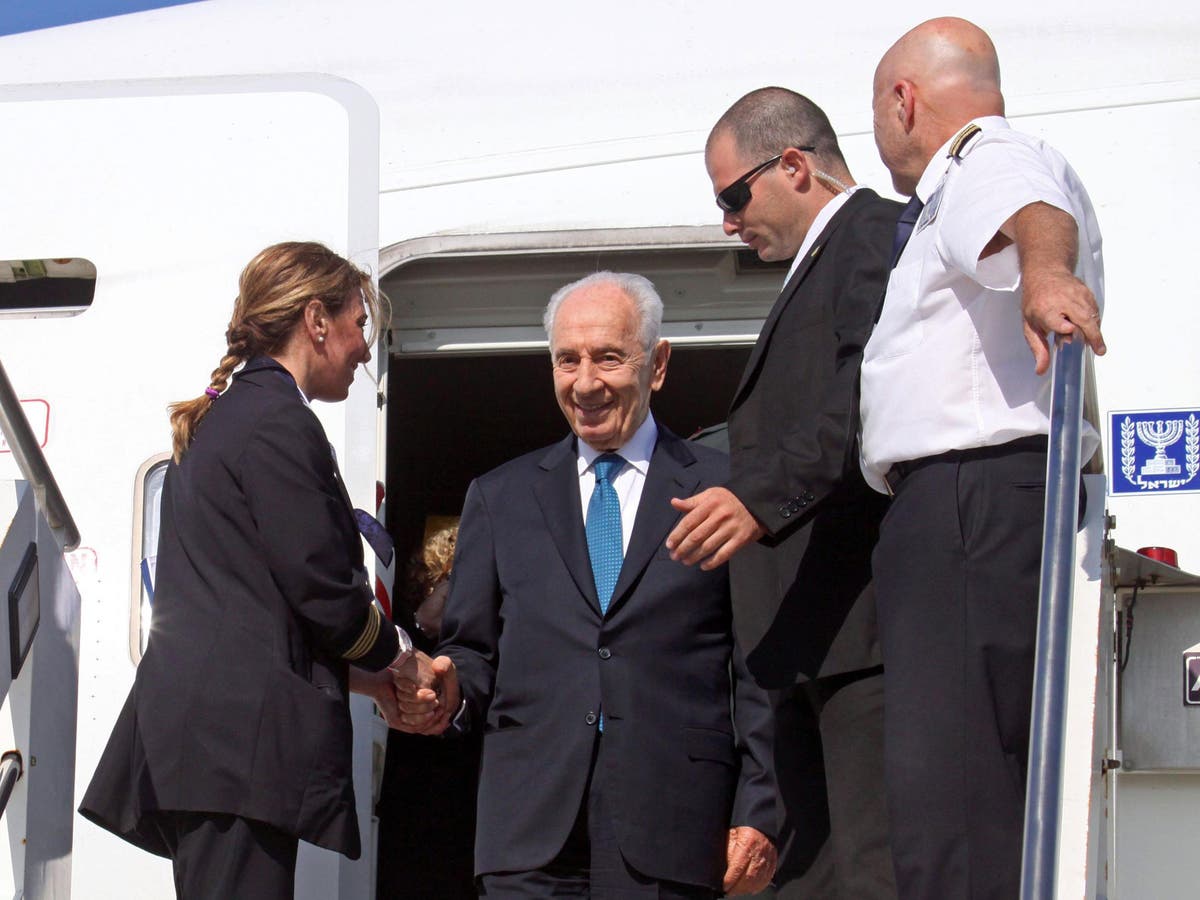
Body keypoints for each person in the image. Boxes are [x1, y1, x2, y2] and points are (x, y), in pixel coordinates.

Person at [398, 271, 779, 898]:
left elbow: (760, 668)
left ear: (656, 365)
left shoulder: (726, 491)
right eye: (566, 360)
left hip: (676, 825)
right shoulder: (501, 497)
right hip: (529, 828)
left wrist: (759, 806)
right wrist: (449, 683)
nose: (585, 383)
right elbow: (474, 651)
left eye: (608, 357)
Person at [79, 241, 429, 899]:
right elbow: (324, 595)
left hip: (218, 749)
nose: (363, 347)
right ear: (316, 320)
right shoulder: (276, 423)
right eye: (360, 324)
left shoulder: (237, 416)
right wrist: (399, 657)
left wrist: (371, 682)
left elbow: (261, 619)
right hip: (236, 754)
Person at [859, 18, 1106, 898]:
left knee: (952, 798)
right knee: (982, 791)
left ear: (905, 100)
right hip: (991, 500)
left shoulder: (978, 155)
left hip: (969, 498)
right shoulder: (1005, 158)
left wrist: (1045, 275)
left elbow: (1030, 214)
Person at [667, 87, 899, 898]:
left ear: (793, 165)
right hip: (811, 648)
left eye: (734, 195)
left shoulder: (873, 234)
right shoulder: (822, 264)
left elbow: (870, 391)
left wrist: (757, 497)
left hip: (858, 642)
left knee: (871, 871)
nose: (728, 221)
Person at [377, 521, 479, 900]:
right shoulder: (409, 634)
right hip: (416, 763)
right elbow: (431, 619)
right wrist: (460, 575)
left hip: (462, 769)